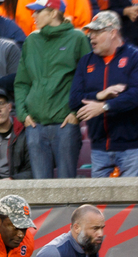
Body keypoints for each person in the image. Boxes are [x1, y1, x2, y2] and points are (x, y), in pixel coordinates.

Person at [69, 11, 138, 177]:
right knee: (101, 202)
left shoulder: (137, 58)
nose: (91, 37)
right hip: (99, 147)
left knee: (133, 199)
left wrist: (105, 106)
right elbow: (74, 100)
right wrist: (100, 95)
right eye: (90, 32)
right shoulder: (86, 61)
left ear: (113, 32)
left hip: (132, 147)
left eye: (97, 32)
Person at [14, 0, 90, 179]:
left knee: (66, 188)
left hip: (65, 124)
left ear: (54, 13)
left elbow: (88, 79)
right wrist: (23, 114)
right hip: (35, 125)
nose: (33, 16)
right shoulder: (31, 40)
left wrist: (75, 113)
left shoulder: (78, 38)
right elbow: (22, 82)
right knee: (41, 189)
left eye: (38, 12)